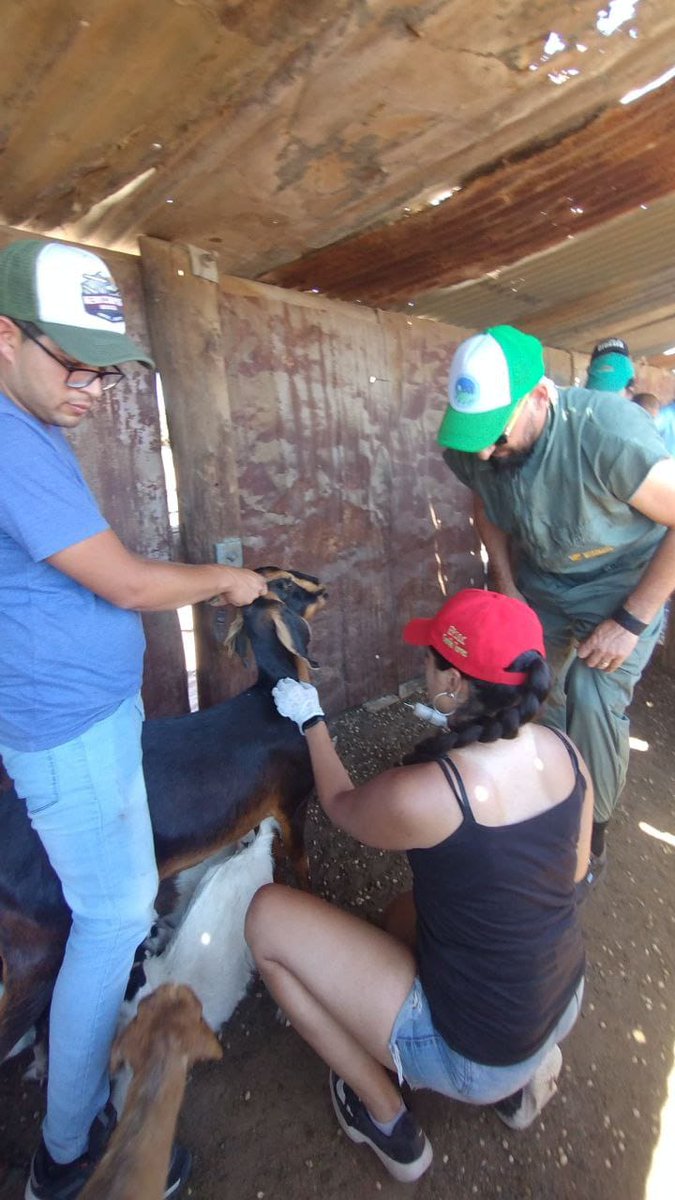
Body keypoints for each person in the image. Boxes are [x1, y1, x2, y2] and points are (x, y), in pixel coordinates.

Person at [0, 238, 267, 1200]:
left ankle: (72, 1080)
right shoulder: (4, 434)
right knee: (112, 917)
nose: (93, 386)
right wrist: (231, 578)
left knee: (105, 907)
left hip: (88, 716)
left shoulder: (31, 428)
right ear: (3, 337)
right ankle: (66, 1156)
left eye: (103, 368)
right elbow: (121, 578)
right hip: (64, 733)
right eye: (73, 362)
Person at [245, 589, 592, 1183]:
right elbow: (573, 879)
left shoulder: (430, 792)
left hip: (474, 1057)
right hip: (560, 1001)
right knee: (401, 912)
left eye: (431, 659)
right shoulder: (565, 751)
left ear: (453, 683)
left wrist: (312, 717)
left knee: (266, 917)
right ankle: (522, 1077)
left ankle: (385, 1119)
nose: (422, 666)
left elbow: (338, 803)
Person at [437, 324, 675, 895]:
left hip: (623, 586)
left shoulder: (608, 433)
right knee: (510, 683)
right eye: (475, 441)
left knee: (592, 698)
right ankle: (516, 800)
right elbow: (485, 502)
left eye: (497, 435)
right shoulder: (475, 445)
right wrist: (505, 579)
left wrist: (633, 619)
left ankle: (590, 835)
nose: (486, 451)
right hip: (541, 580)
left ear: (539, 396)